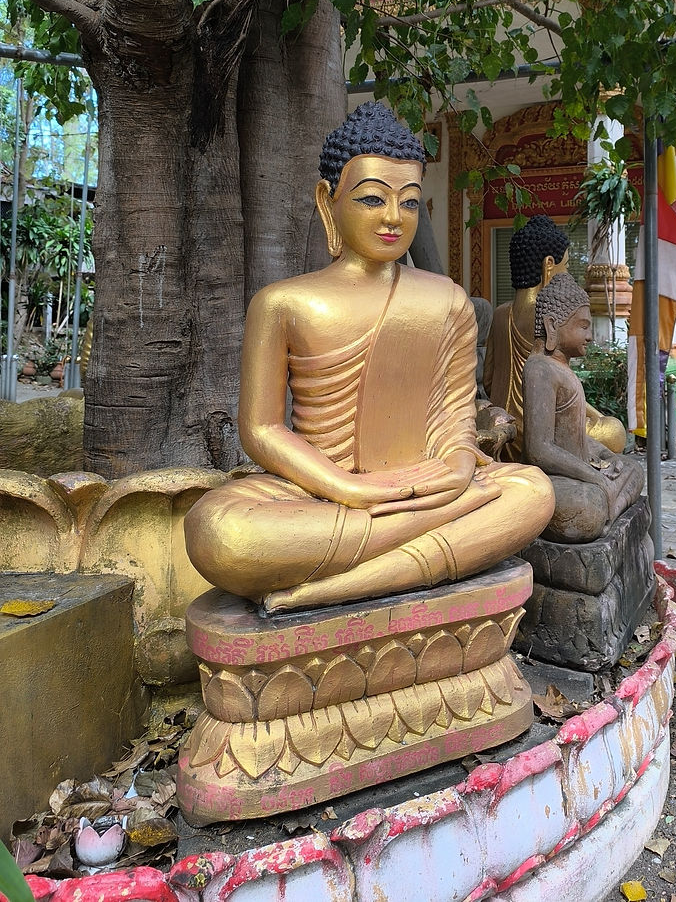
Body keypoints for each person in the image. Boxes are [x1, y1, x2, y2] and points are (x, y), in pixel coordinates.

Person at [184, 103, 555, 613]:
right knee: (220, 533)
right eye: (372, 199)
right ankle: (422, 558)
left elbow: (454, 416)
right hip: (321, 495)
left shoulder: (448, 301)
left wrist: (455, 467)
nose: (391, 218)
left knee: (532, 491)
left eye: (408, 203)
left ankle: (339, 586)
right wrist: (346, 488)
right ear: (327, 202)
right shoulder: (283, 304)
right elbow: (263, 431)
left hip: (429, 487)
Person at [483, 214, 627, 455]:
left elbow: (488, 380)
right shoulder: (550, 317)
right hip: (539, 431)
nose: (568, 272)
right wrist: (598, 418)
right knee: (614, 432)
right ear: (549, 265)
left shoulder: (500, 313)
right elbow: (566, 389)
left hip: (503, 431)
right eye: (567, 266)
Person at [523, 274, 644, 543]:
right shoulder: (539, 369)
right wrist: (594, 478)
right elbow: (539, 450)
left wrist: (605, 456)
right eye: (582, 326)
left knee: (633, 469)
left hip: (579, 471)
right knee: (587, 507)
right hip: (555, 478)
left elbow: (576, 436)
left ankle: (609, 509)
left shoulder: (563, 369)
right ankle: (607, 507)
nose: (590, 336)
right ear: (552, 325)